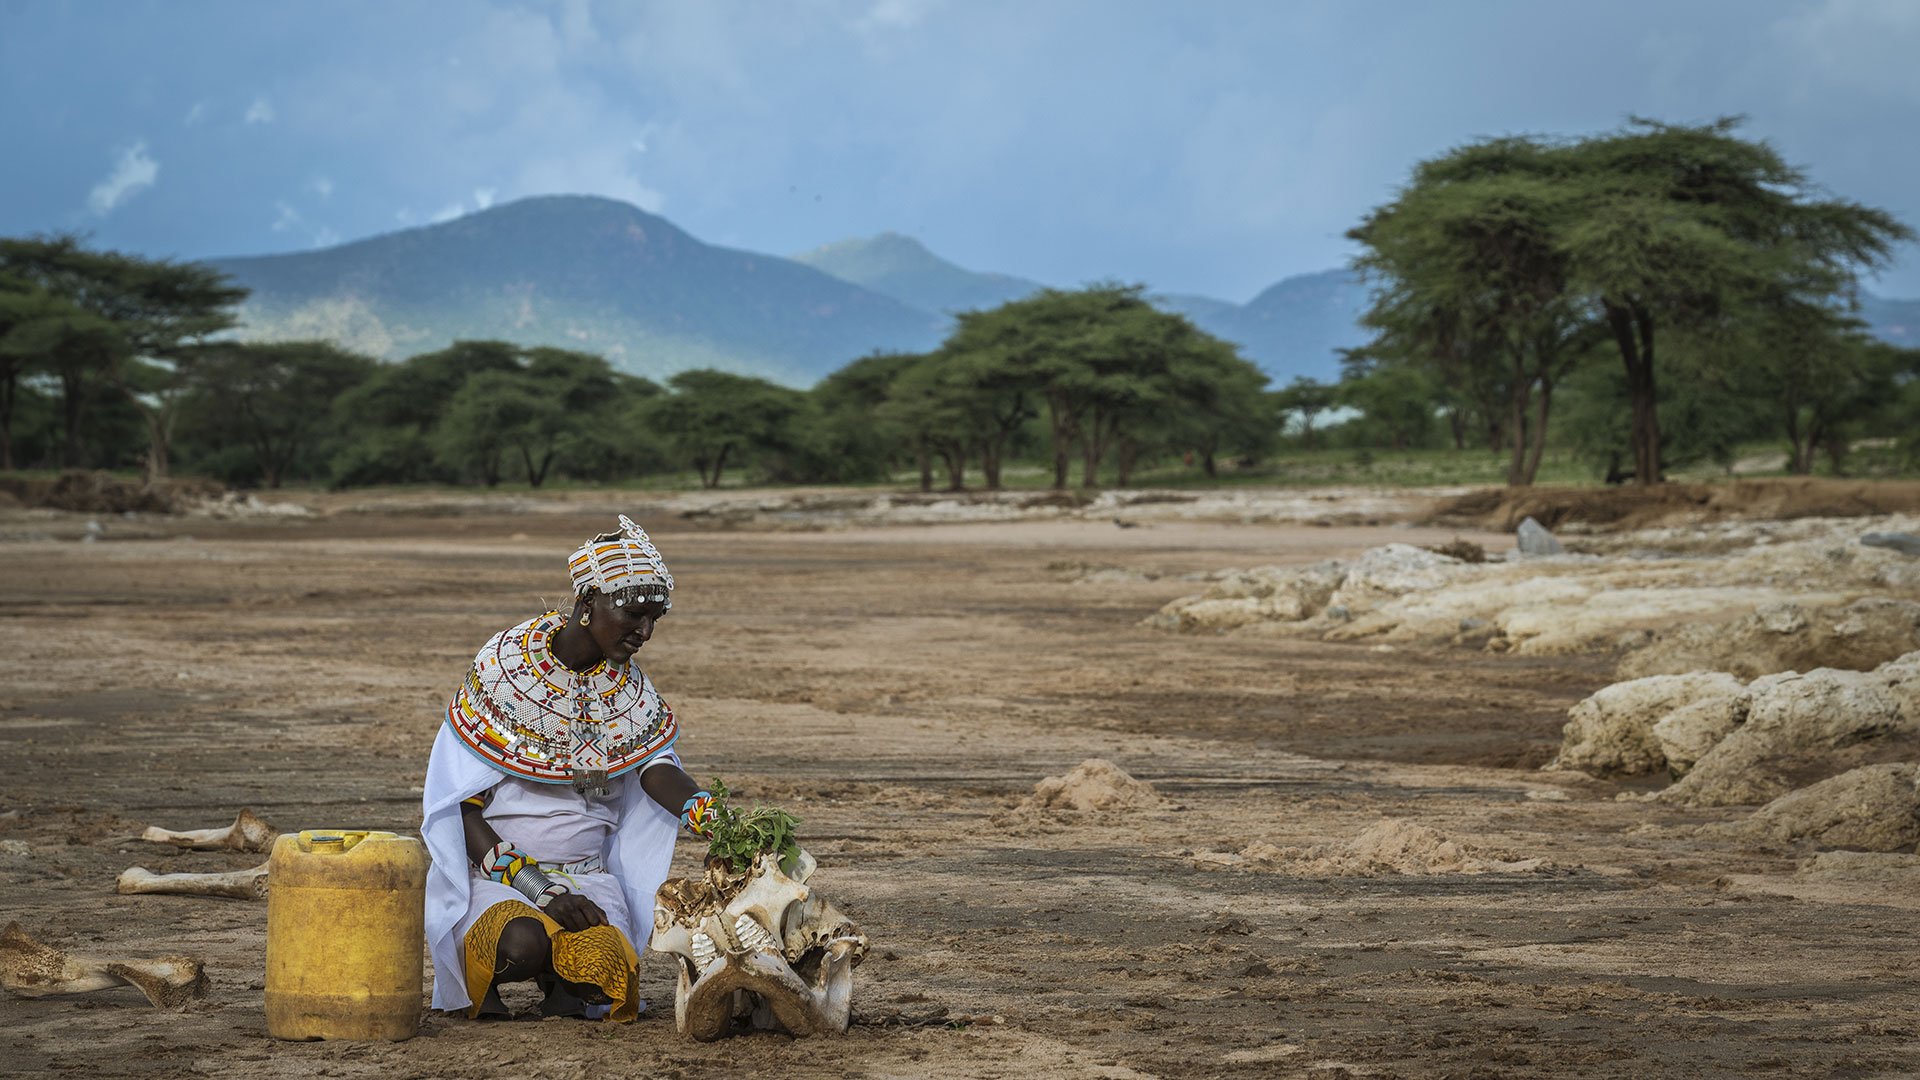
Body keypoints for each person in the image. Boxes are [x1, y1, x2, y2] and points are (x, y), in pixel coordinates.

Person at [419, 515, 719, 1021]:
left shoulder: (630, 694)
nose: (644, 632)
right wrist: (541, 889)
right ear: (587, 605)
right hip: (502, 877)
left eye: (654, 620)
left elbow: (658, 772)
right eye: (633, 615)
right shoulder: (504, 676)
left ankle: (562, 984)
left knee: (604, 970)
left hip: (589, 879)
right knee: (522, 943)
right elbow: (461, 809)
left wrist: (718, 822)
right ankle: (502, 972)